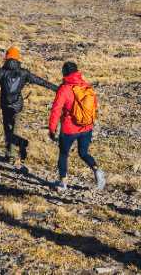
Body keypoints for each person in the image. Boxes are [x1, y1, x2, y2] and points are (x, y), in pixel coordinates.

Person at [0, 47, 57, 166]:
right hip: (17, 106)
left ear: (6, 58)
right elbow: (41, 82)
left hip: (5, 105)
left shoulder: (1, 72)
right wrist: (57, 88)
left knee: (7, 128)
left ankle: (9, 154)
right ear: (18, 58)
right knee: (14, 130)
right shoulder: (24, 73)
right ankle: (13, 154)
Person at [48, 61, 106, 192]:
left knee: (63, 154)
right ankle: (97, 171)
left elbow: (56, 110)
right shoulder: (85, 85)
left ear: (64, 72)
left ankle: (62, 183)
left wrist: (52, 128)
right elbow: (94, 105)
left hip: (69, 129)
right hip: (86, 127)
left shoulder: (64, 88)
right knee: (83, 153)